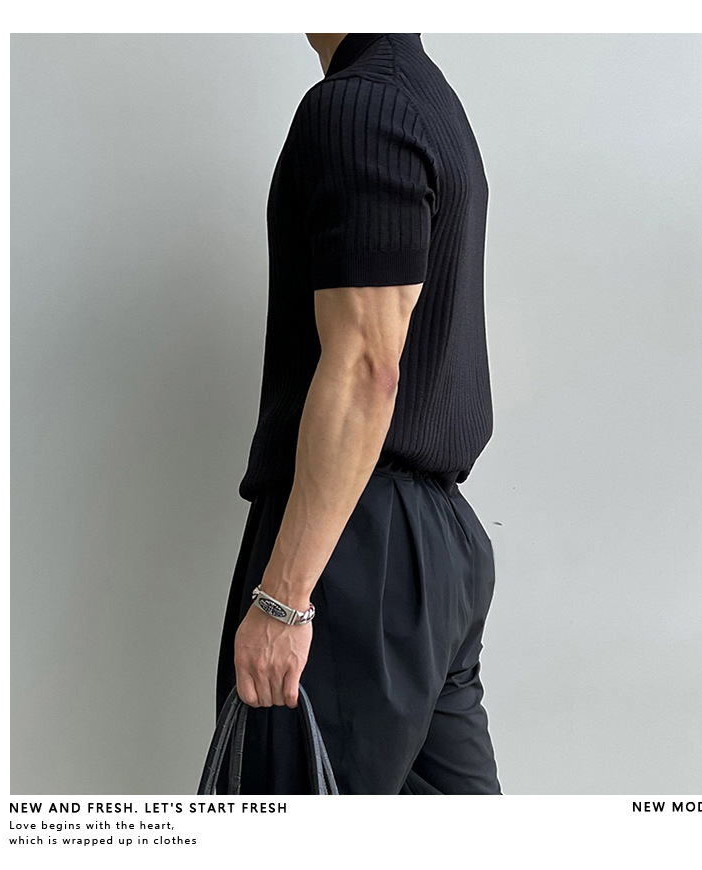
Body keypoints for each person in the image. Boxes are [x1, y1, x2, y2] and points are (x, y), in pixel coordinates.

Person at [214, 32, 503, 795]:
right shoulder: (428, 100)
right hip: (429, 550)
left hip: (354, 549)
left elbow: (368, 366)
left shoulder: (361, 106)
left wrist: (284, 598)